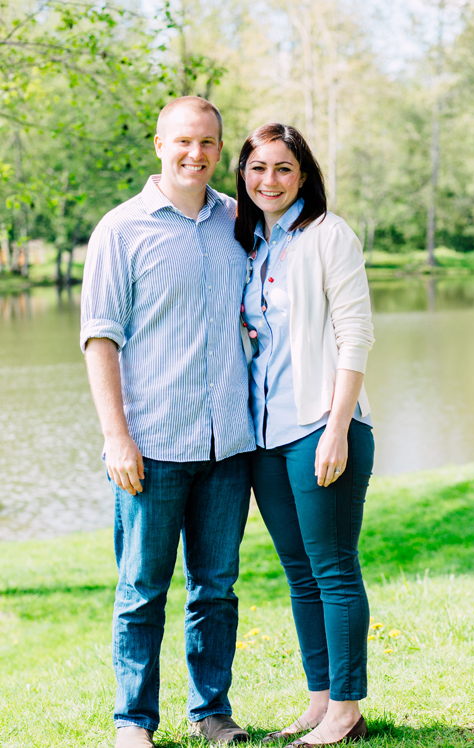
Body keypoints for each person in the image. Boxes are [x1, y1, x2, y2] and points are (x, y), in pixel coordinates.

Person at [81, 96, 256, 748]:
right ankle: (133, 722)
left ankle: (212, 712)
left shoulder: (239, 224)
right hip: (151, 445)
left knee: (216, 588)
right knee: (141, 590)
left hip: (228, 445)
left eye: (209, 142)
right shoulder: (120, 230)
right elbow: (101, 339)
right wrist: (115, 436)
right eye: (184, 141)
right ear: (159, 143)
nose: (197, 154)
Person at [234, 123, 375, 747]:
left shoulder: (328, 236)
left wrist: (338, 429)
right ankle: (320, 701)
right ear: (243, 173)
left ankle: (347, 710)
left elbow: (355, 335)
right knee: (300, 573)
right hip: (266, 436)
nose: (270, 180)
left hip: (321, 427)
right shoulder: (248, 242)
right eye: (258, 167)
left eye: (283, 169)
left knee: (334, 569)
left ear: (304, 176)